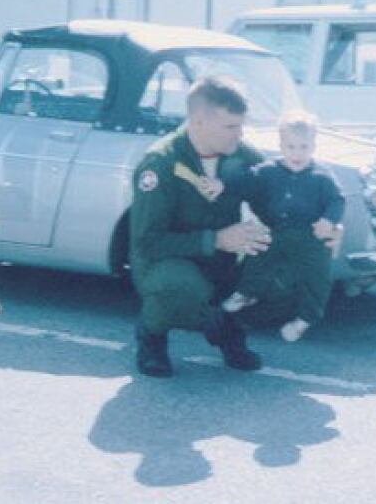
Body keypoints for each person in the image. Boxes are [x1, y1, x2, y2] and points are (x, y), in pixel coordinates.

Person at [129, 76, 273, 377]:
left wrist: (320, 224)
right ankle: (152, 337)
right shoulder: (161, 164)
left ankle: (227, 329)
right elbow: (147, 243)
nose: (239, 134)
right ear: (198, 122)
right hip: (168, 262)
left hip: (222, 261)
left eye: (240, 125)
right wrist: (216, 240)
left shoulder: (241, 155)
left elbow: (275, 196)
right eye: (230, 127)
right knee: (180, 286)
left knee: (283, 261)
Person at [221, 109, 345, 342]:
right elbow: (245, 181)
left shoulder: (322, 175)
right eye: (291, 147)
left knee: (317, 276)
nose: (297, 154)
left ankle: (305, 319)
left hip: (312, 237)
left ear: (313, 146)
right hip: (278, 230)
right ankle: (246, 293)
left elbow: (337, 200)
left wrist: (329, 220)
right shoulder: (269, 170)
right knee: (258, 254)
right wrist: (222, 186)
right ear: (281, 144)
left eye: (304, 147)